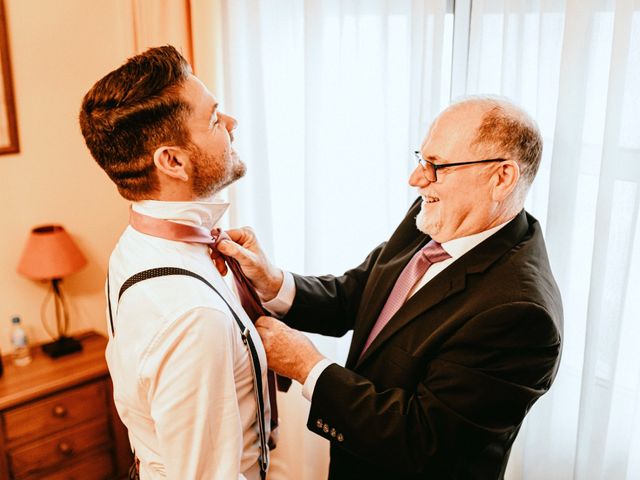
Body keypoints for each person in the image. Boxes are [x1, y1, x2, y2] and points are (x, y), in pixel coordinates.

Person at [214, 97, 563, 479]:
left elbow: (422, 441)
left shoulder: (520, 314)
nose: (416, 179)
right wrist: (274, 281)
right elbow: (361, 292)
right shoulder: (436, 213)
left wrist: (307, 366)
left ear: (501, 178)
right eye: (421, 159)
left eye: (437, 166)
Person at [79, 46, 270, 480]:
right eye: (215, 119)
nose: (232, 124)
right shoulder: (191, 315)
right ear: (172, 161)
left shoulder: (137, 242)